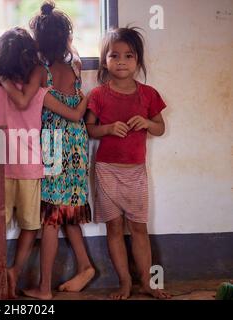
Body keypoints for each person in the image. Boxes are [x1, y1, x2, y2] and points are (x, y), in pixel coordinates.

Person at [0, 26, 88, 299]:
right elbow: (72, 114)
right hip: (30, 168)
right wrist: (85, 101)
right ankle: (12, 272)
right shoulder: (40, 92)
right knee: (31, 225)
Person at [0, 1, 95, 300]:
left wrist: (0, 78)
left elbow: (24, 101)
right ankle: (86, 266)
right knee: (65, 210)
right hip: (78, 144)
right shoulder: (75, 65)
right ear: (66, 37)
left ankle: (44, 289)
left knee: (51, 217)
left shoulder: (41, 71)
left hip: (54, 145)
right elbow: (78, 109)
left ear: (37, 42)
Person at [86, 26, 171, 299]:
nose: (121, 61)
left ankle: (146, 282)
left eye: (129, 56)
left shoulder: (148, 94)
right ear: (105, 60)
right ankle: (125, 283)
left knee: (138, 228)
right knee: (114, 228)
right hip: (107, 170)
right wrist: (108, 129)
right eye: (114, 55)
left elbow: (160, 128)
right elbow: (90, 129)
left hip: (135, 172)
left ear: (138, 61)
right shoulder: (98, 95)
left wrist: (147, 122)